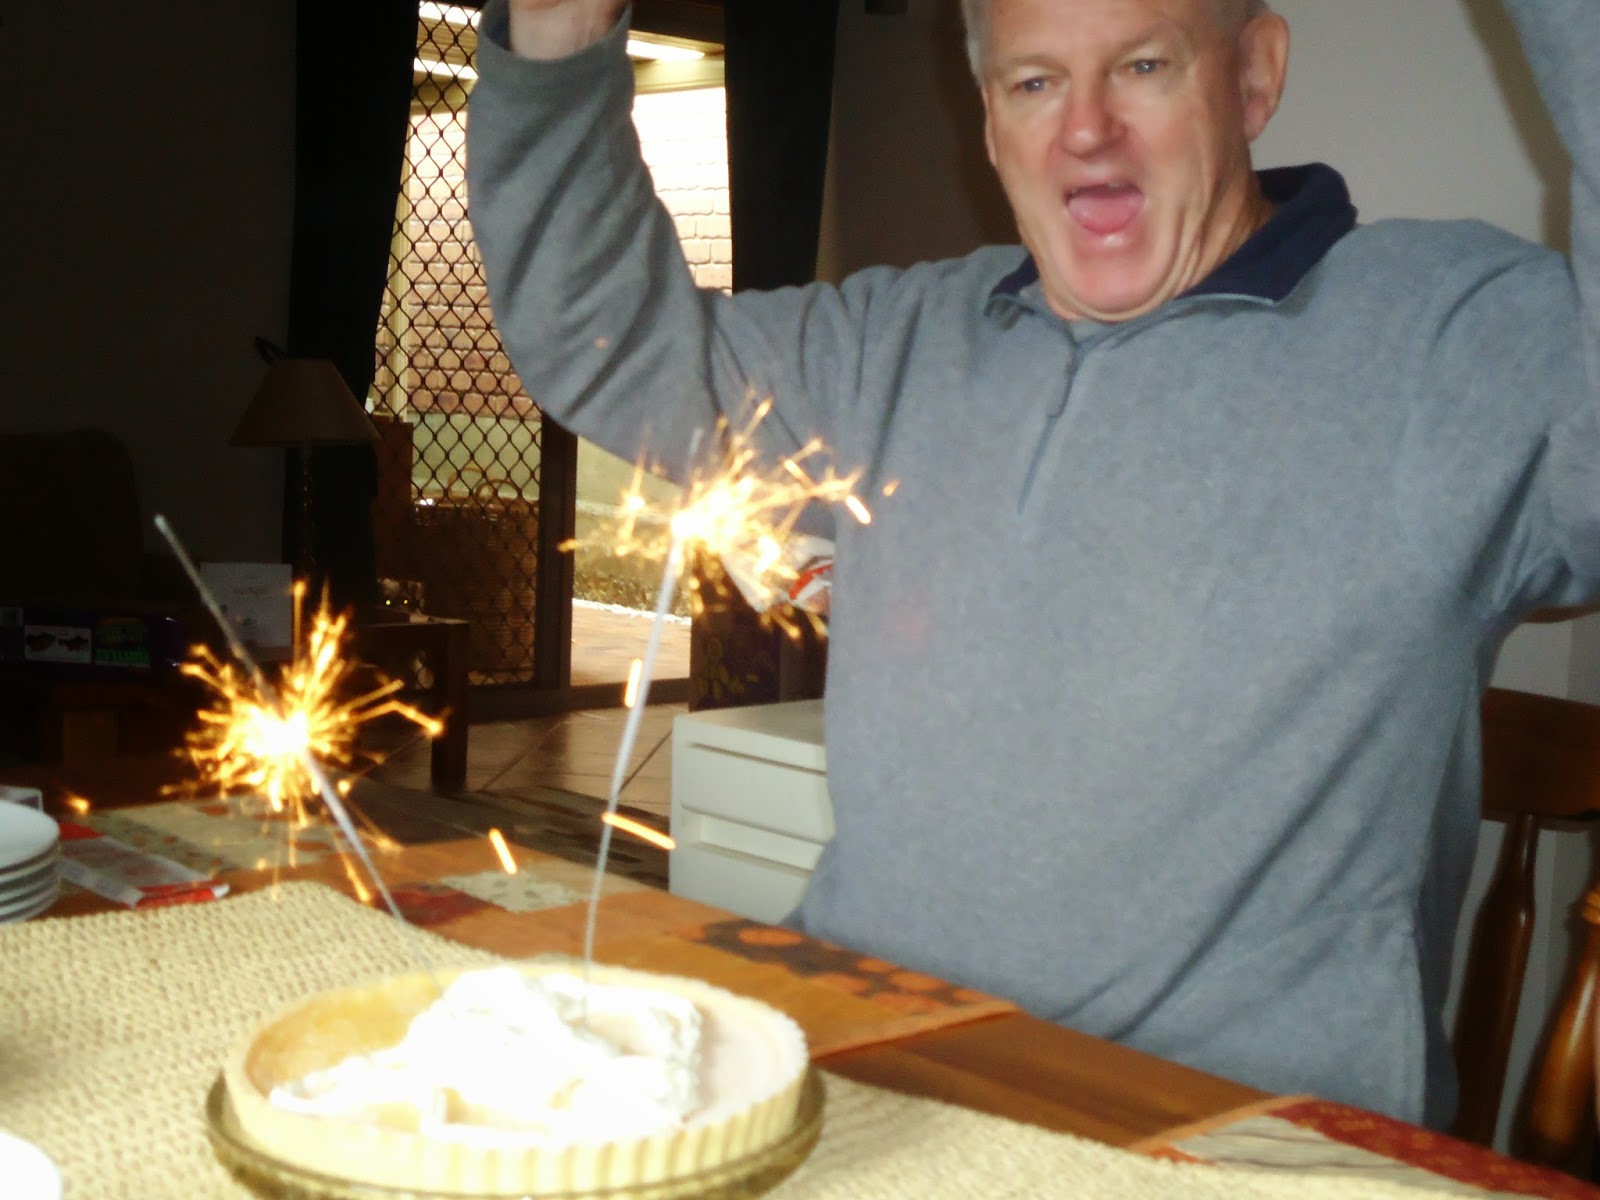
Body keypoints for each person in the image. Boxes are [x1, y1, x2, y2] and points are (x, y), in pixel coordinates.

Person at [466, 0, 1600, 1127]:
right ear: (990, 121)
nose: (1087, 129)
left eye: (1144, 67)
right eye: (1034, 83)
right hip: (862, 1089)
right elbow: (608, 342)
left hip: (1229, 1150)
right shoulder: (890, 341)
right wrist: (559, 32)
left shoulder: (1450, 343)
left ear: (1254, 76)